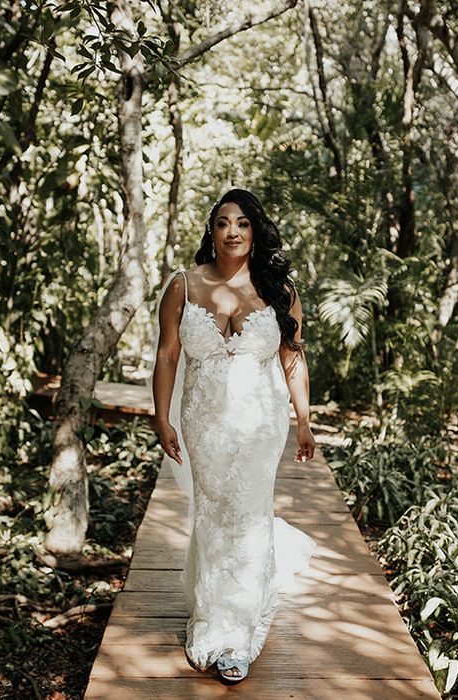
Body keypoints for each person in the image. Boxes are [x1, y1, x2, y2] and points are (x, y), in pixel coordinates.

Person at [151, 188, 317, 684]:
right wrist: (162, 417)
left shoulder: (280, 290)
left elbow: (293, 358)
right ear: (212, 231)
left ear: (254, 230)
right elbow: (166, 357)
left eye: (242, 223)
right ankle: (209, 611)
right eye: (223, 222)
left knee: (246, 516)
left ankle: (236, 635)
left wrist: (304, 419)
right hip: (204, 422)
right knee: (213, 512)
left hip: (261, 425)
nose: (233, 231)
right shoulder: (183, 285)